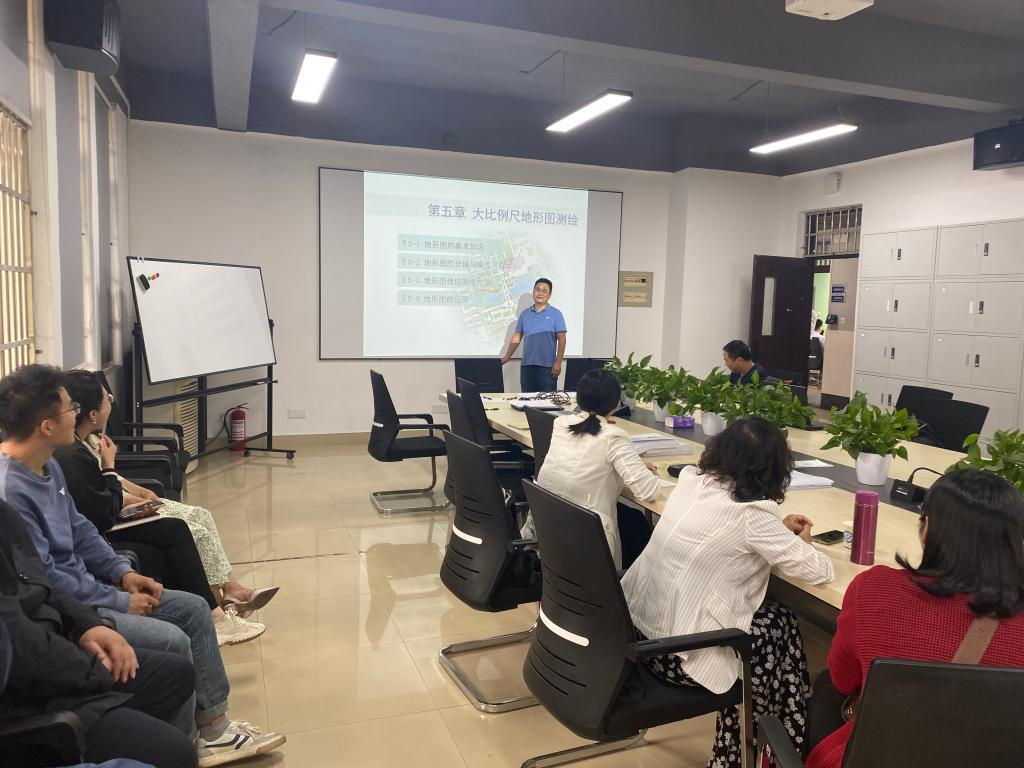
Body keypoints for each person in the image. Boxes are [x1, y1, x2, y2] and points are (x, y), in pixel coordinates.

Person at [0, 364, 285, 766]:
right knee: (173, 641)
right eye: (69, 408)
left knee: (194, 608)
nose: (76, 414)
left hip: (94, 588)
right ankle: (178, 743)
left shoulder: (48, 465)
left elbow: (81, 530)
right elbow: (47, 580)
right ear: (46, 426)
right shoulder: (11, 490)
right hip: (77, 608)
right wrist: (117, 601)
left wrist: (124, 573)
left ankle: (214, 728)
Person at [621, 416, 835, 767]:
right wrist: (805, 543)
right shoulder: (753, 514)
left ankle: (762, 748)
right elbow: (819, 570)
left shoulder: (690, 481)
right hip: (677, 658)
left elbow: (730, 532)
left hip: (637, 639)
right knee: (779, 624)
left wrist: (777, 530)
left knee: (775, 621)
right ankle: (769, 747)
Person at [805, 469, 1024, 768]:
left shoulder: (874, 588)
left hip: (880, 756)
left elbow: (843, 681)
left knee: (827, 685)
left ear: (926, 531)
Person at [56, 370, 276, 642]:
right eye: (107, 400)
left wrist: (126, 487)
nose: (110, 404)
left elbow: (98, 496)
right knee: (181, 529)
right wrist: (112, 471)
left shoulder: (82, 443)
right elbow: (101, 509)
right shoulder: (71, 455)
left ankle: (227, 597)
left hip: (111, 513)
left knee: (194, 519)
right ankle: (217, 613)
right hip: (110, 522)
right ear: (90, 414)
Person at [0, 499, 198, 768]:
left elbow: (44, 583)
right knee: (176, 752)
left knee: (178, 674)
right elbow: (21, 649)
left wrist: (89, 625)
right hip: (29, 703)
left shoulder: (6, 512)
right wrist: (94, 670)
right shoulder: (14, 488)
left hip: (60, 651)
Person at [522, 369, 662, 569]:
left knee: (633, 519)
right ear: (617, 404)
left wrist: (631, 468)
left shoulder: (561, 423)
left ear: (579, 399)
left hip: (550, 530)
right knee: (637, 523)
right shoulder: (614, 436)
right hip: (586, 539)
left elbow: (588, 466)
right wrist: (640, 470)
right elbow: (648, 492)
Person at [500, 278, 567, 393]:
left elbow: (562, 339)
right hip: (527, 367)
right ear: (533, 292)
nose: (540, 293)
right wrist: (507, 356)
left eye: (544, 291)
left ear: (549, 295)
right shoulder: (524, 314)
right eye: (537, 289)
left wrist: (558, 362)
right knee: (527, 400)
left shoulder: (556, 314)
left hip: (547, 368)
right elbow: (517, 337)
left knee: (547, 401)